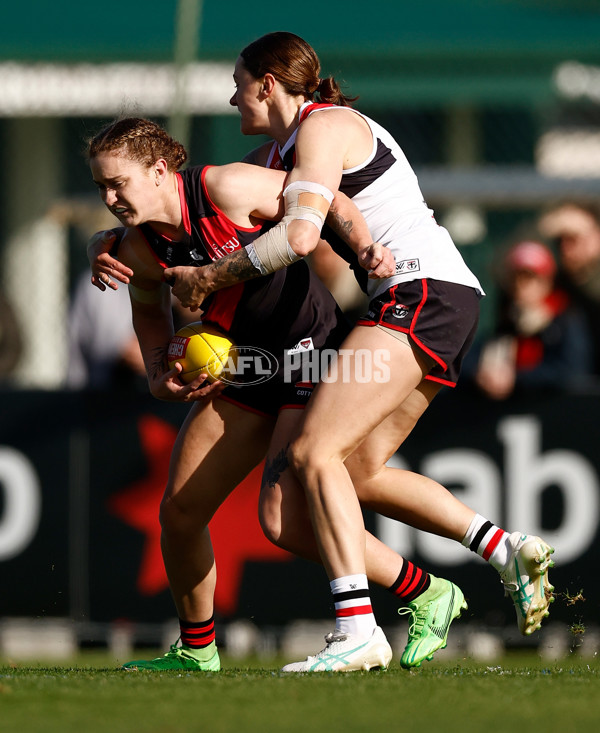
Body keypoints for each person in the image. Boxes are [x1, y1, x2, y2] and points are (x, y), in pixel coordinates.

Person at [87, 34, 555, 671]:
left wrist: (215, 278)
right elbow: (146, 271)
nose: (231, 95)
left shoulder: (323, 127)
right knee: (331, 485)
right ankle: (497, 553)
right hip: (364, 318)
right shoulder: (270, 157)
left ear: (269, 83)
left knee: (314, 453)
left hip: (410, 297)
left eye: (238, 80)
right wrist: (104, 245)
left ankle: (359, 632)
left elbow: (306, 231)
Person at [474, 239, 593, 400]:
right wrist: (485, 375)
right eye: (516, 278)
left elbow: (573, 373)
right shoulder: (506, 321)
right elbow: (470, 359)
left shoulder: (566, 320)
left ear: (547, 282)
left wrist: (517, 378)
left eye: (530, 278)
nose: (521, 286)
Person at [539, 201, 600, 379]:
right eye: (560, 240)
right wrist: (545, 226)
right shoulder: (555, 284)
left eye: (573, 238)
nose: (565, 248)